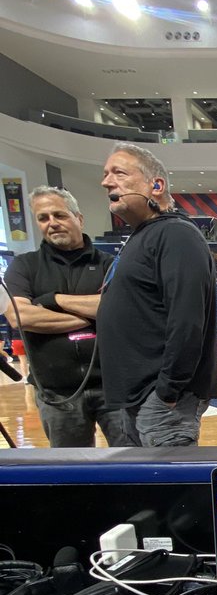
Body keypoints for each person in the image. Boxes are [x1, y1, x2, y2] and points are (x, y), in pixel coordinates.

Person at [97, 143, 217, 448]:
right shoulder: (143, 236)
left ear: (156, 185)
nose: (106, 181)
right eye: (105, 174)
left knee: (170, 495)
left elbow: (188, 320)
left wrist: (167, 392)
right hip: (139, 396)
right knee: (146, 494)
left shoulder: (176, 235)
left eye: (119, 173)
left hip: (163, 402)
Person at [4, 186, 127, 447]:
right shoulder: (24, 266)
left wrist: (52, 300)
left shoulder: (110, 264)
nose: (52, 223)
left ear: (78, 218)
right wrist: (94, 315)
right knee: (73, 473)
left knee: (130, 464)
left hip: (114, 388)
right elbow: (19, 316)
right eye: (43, 217)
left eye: (59, 215)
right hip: (56, 392)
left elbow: (120, 309)